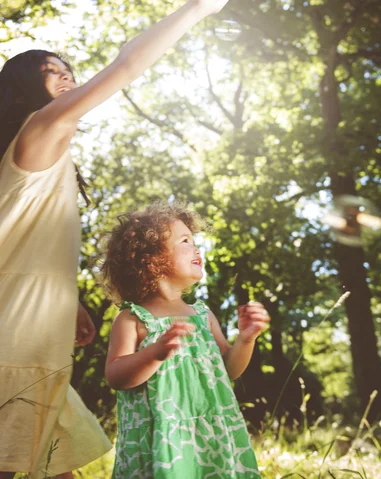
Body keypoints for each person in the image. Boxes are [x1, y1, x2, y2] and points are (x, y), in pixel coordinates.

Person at [0, 1, 230, 477]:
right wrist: (196, 10)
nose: (67, 79)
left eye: (69, 71)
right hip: (15, 331)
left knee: (45, 454)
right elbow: (126, 64)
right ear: (22, 88)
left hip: (32, 321)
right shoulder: (39, 130)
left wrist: (68, 301)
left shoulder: (34, 151)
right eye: (51, 71)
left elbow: (22, 245)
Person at [102, 202, 269, 478]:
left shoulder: (203, 316)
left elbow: (229, 370)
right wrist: (154, 354)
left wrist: (246, 340)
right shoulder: (133, 319)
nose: (196, 248)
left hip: (210, 435)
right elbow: (116, 375)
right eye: (185, 241)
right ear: (150, 258)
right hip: (160, 437)